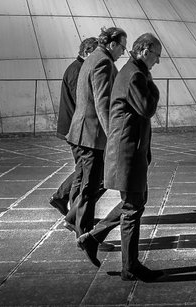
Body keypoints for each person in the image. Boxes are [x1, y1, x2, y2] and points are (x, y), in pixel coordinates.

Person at [76, 32, 163, 282]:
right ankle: (129, 265)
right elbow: (147, 107)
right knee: (133, 206)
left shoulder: (131, 71)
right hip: (127, 152)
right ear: (145, 51)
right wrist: (153, 86)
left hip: (129, 151)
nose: (157, 62)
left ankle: (94, 239)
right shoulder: (135, 74)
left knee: (135, 201)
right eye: (156, 56)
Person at [64, 26, 128, 238]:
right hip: (91, 134)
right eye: (122, 47)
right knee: (91, 186)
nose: (123, 53)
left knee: (89, 183)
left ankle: (73, 218)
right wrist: (113, 136)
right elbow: (102, 103)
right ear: (112, 44)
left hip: (83, 132)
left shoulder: (93, 58)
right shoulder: (103, 62)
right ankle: (85, 234)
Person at [49, 36, 98, 217]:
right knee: (85, 171)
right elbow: (85, 102)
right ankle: (76, 215)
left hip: (75, 128)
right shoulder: (78, 71)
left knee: (84, 169)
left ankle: (63, 199)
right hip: (77, 130)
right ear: (87, 52)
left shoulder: (78, 68)